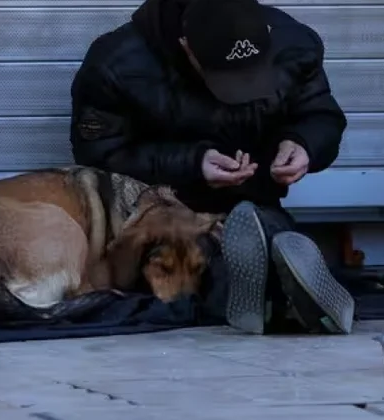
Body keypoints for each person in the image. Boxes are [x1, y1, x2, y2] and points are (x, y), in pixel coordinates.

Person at [69, 0, 355, 335]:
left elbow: (320, 115)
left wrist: (303, 144)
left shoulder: (293, 43)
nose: (240, 88)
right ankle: (278, 296)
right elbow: (99, 155)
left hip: (251, 206)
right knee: (194, 260)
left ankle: (276, 281)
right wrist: (193, 164)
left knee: (260, 231)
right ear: (185, 44)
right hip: (163, 210)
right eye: (224, 77)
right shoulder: (115, 63)